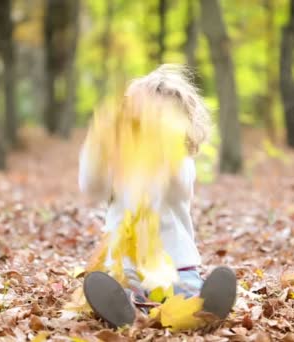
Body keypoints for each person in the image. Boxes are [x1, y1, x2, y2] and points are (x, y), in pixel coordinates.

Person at [78, 65, 236, 328]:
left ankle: (204, 309)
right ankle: (126, 313)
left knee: (185, 294)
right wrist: (98, 147)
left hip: (175, 265)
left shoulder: (180, 162)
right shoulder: (119, 164)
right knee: (115, 287)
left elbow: (175, 183)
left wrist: (159, 144)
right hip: (124, 266)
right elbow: (92, 185)